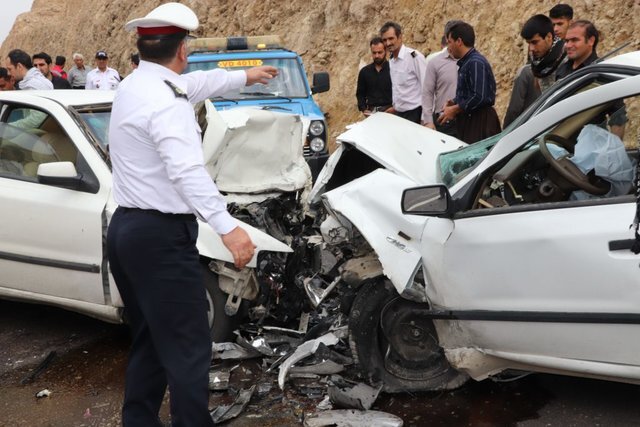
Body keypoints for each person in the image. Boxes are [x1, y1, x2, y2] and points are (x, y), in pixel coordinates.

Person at [107, 3, 277, 426]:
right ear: (183, 50)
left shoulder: (135, 85)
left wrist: (245, 76)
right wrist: (228, 229)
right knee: (188, 347)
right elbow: (186, 170)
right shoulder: (167, 103)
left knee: (151, 338)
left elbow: (199, 83)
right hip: (160, 239)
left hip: (127, 230)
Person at [555, 20, 626, 138]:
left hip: (592, 146)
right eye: (567, 41)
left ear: (591, 41)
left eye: (575, 40)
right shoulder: (562, 71)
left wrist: (612, 151)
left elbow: (618, 117)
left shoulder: (602, 73)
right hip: (559, 144)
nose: (568, 45)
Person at [439, 21, 500, 144]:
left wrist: (455, 109)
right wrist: (455, 101)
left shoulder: (475, 62)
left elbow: (480, 96)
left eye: (449, 42)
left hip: (480, 124)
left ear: (459, 41)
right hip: (471, 122)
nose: (448, 48)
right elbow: (471, 92)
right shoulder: (467, 62)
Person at [504, 14, 566, 127]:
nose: (531, 49)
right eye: (529, 43)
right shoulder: (536, 64)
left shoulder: (566, 62)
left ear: (548, 37)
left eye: (535, 42)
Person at [380, 21, 427, 124]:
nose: (388, 43)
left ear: (400, 37)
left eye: (391, 38)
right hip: (400, 115)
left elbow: (427, 87)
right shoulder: (392, 61)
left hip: (415, 114)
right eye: (384, 40)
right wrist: (395, 107)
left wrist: (425, 118)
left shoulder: (414, 57)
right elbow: (399, 90)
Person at [421, 20, 461, 136]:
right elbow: (427, 92)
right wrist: (428, 121)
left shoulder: (470, 60)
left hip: (466, 121)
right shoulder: (434, 62)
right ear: (448, 38)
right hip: (443, 121)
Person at [356, 37, 392, 117]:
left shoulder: (393, 69)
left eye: (380, 52)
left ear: (385, 51)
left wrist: (394, 108)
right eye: (374, 53)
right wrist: (364, 109)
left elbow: (400, 91)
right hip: (372, 114)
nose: (377, 55)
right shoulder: (364, 72)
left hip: (391, 112)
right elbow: (360, 94)